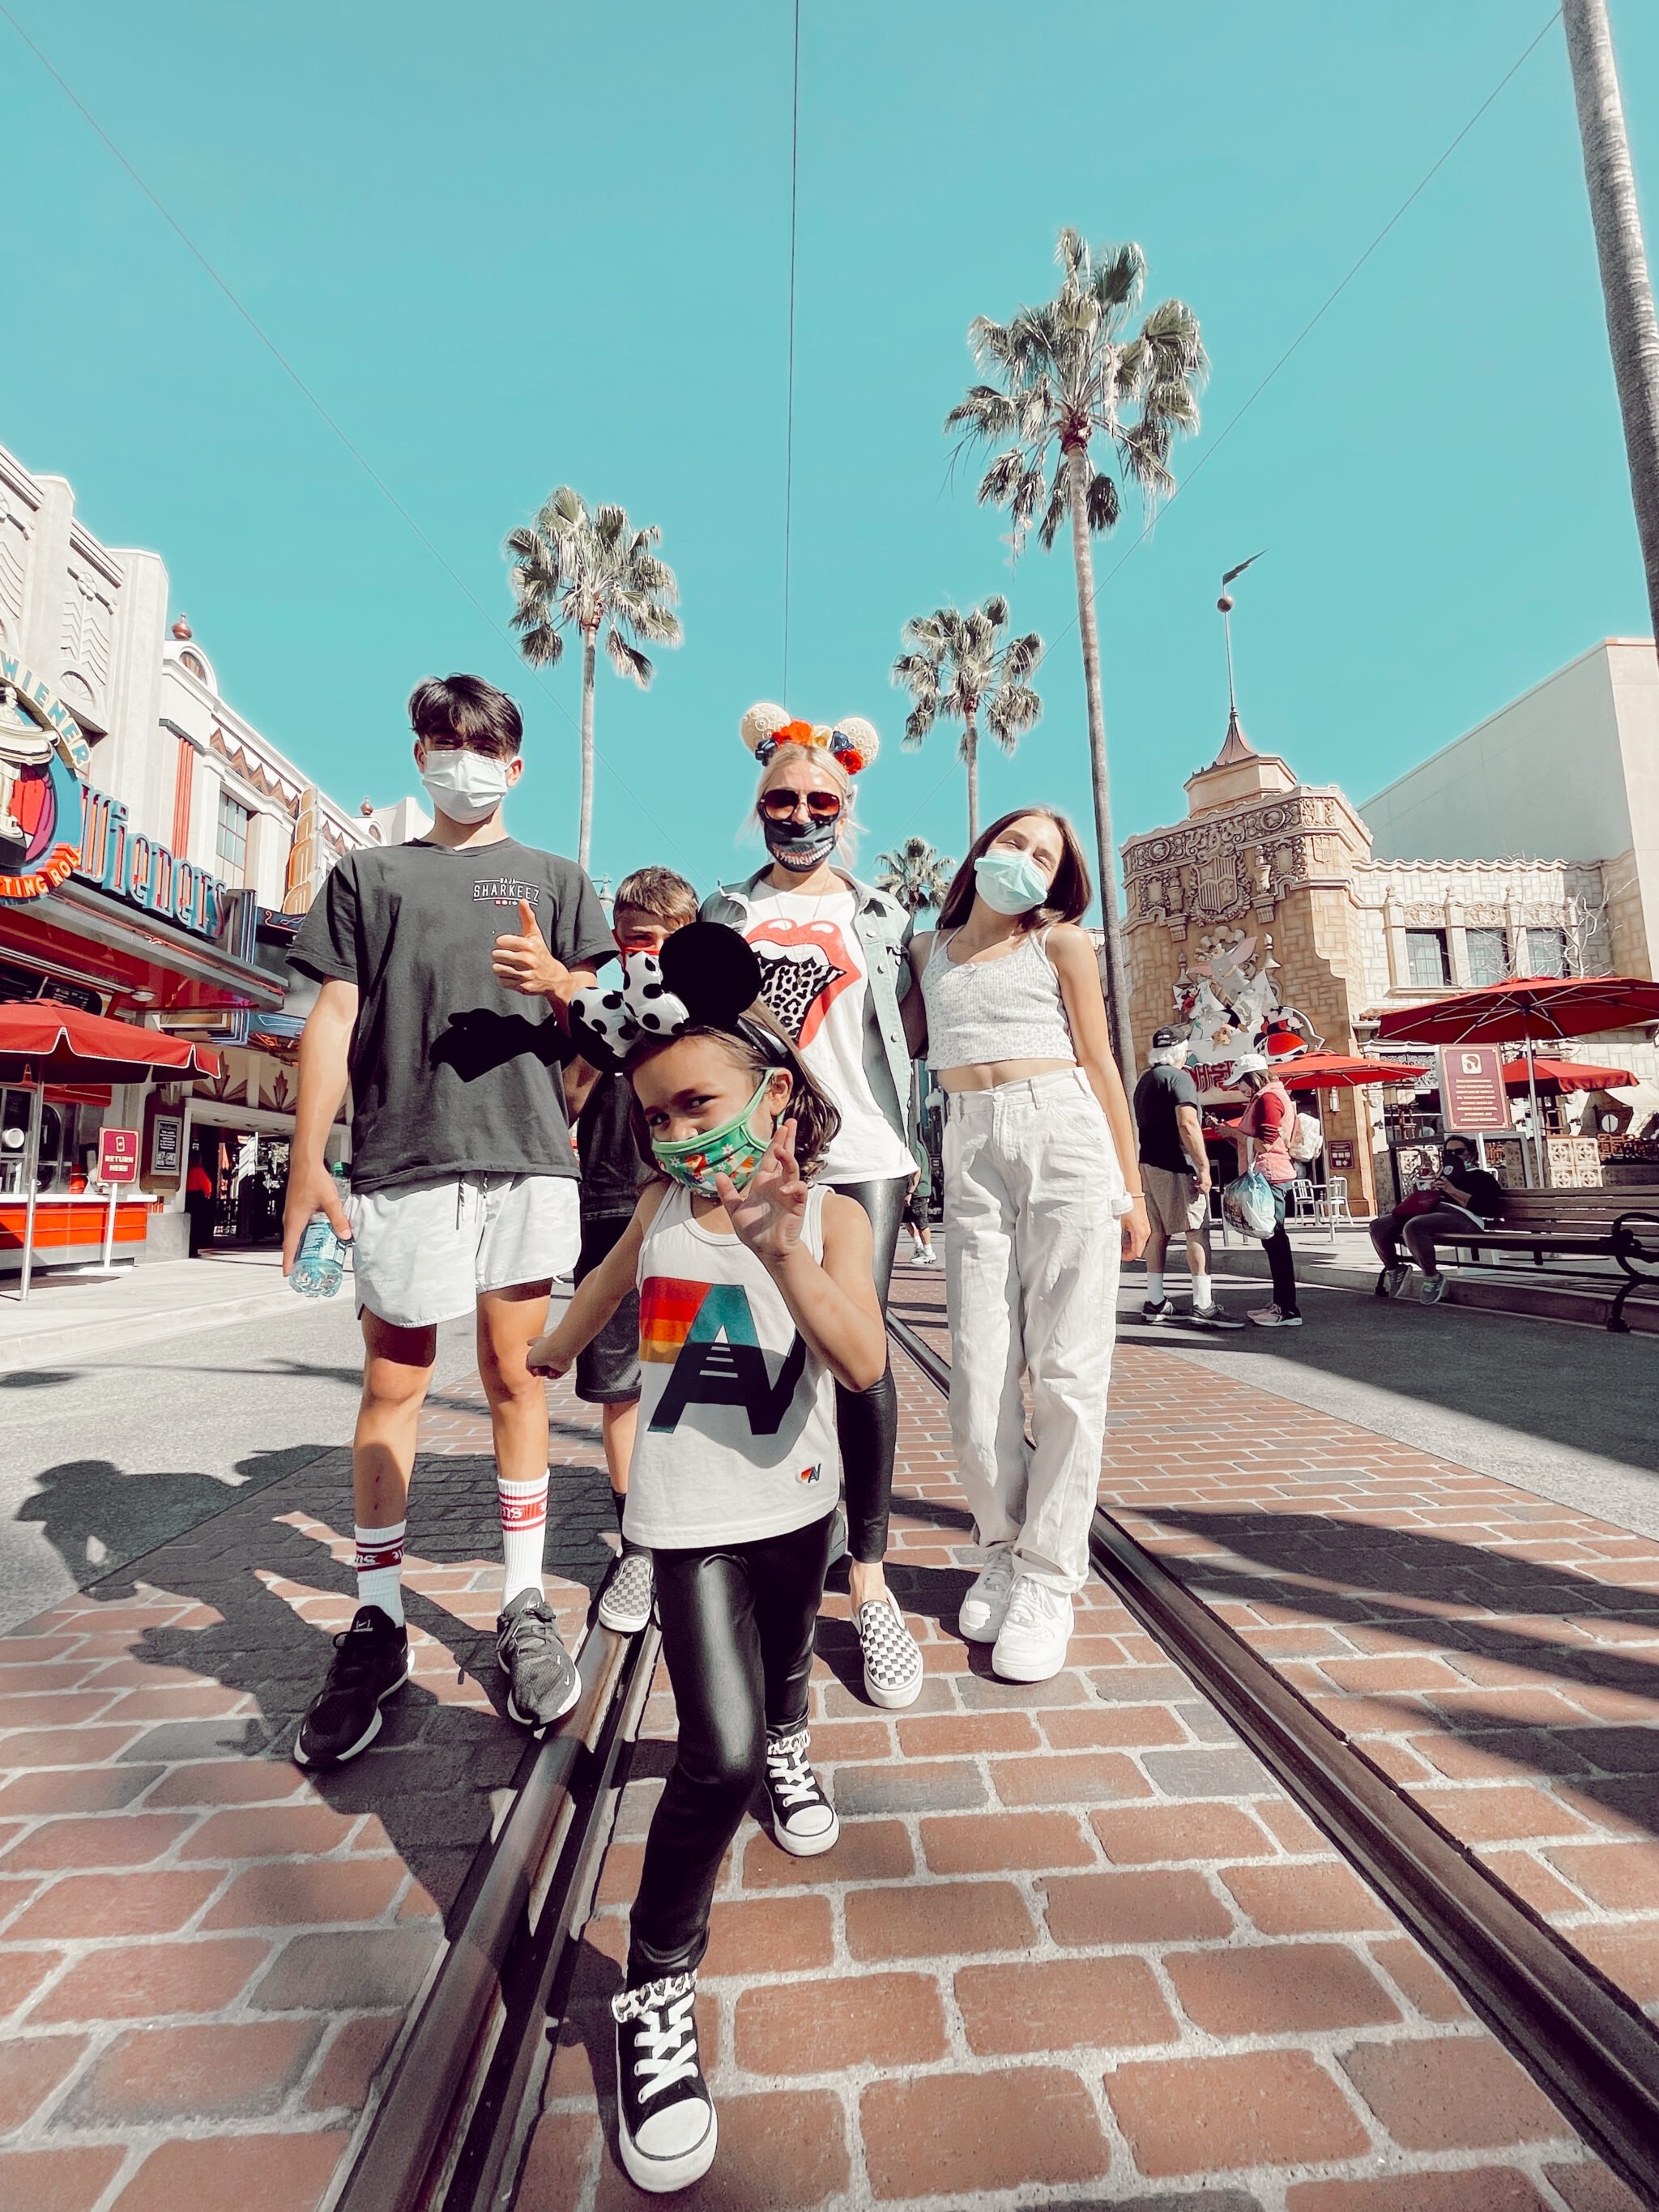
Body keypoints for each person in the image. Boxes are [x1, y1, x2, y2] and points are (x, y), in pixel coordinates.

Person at [528, 923, 885, 2196]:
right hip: (683, 1518)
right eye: (657, 1116)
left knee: (786, 1678)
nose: (680, 1134)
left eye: (701, 1103)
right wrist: (547, 1347)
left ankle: (794, 1734)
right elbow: (600, 1287)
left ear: (774, 1092)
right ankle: (657, 1984)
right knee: (717, 1751)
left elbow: (861, 1359)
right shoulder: (666, 1211)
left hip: (799, 1507)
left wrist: (780, 1239)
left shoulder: (831, 1216)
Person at [282, 673, 614, 1767]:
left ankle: (523, 1603)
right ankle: (377, 1618)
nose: (462, 756)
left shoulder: (561, 882)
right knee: (394, 1381)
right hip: (401, 1158)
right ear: (418, 751)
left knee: (521, 1378)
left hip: (526, 1159)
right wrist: (307, 1159)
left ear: (516, 764)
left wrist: (564, 981)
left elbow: (615, 1027)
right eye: (443, 738)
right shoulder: (367, 876)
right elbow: (332, 1015)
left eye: (483, 742)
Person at [700, 704, 923, 1711]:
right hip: (759, 1147)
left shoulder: (882, 914)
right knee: (753, 1343)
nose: (798, 814)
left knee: (854, 1348)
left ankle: (868, 1580)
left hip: (863, 1150)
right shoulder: (723, 911)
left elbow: (916, 1030)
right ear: (756, 808)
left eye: (818, 800)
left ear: (848, 802)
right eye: (780, 800)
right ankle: (750, 1534)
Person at [912, 808, 1149, 1682]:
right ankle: (1002, 1546)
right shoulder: (924, 951)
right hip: (966, 1142)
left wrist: (1128, 1190)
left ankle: (1050, 1574)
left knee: (1065, 1372)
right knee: (976, 1371)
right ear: (979, 850)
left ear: (1056, 881)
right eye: (1012, 842)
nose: (1022, 861)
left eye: (1042, 856)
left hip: (1062, 1135)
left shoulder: (1061, 947)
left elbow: (1098, 1062)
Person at [567, 865, 700, 1635]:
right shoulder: (602, 1009)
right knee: (620, 1385)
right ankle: (638, 1542)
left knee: (689, 1378)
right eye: (625, 938)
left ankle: (694, 1527)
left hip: (686, 1205)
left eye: (650, 937)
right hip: (610, 1201)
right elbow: (572, 1091)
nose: (635, 952)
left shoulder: (705, 1009)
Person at [1133, 1027, 1241, 1330]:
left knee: (1159, 1232)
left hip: (1149, 1163)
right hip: (1178, 1165)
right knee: (1196, 1230)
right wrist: (1203, 1166)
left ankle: (1155, 1301)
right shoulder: (1180, 1078)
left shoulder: (1146, 1081)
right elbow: (1187, 1123)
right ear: (1180, 1051)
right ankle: (1203, 1305)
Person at [1371, 1134, 1505, 1303]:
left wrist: (1451, 1190)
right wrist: (1427, 1187)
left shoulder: (1481, 1176)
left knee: (1415, 1226)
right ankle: (1394, 1268)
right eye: (1448, 1153)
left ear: (1470, 1154)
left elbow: (1486, 1207)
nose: (1453, 1156)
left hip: (1465, 1218)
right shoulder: (1444, 1175)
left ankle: (1432, 1277)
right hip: (1434, 1212)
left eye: (1459, 1152)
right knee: (1379, 1226)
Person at [1230, 1051, 1302, 1328]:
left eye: (1241, 1083)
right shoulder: (1272, 1095)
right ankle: (1281, 1305)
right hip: (1272, 1174)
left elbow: (1265, 1143)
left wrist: (1232, 1133)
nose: (1239, 1089)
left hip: (1269, 1175)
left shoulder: (1268, 1098)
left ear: (1252, 1078)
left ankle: (1287, 1310)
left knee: (1276, 1242)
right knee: (1274, 1242)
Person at [901, 1163, 937, 1266]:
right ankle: (919, 1247)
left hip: (917, 1192)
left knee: (921, 1223)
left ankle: (929, 1253)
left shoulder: (914, 1148)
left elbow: (917, 1170)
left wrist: (910, 1192)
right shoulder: (917, 1148)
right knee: (906, 1220)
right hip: (914, 1191)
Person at [184, 1149, 216, 1258]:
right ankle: (193, 1249)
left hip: (187, 1197)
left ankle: (187, 1248)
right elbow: (207, 1185)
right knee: (196, 1225)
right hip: (197, 1198)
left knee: (189, 1225)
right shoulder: (198, 1170)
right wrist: (208, 1195)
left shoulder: (186, 1170)